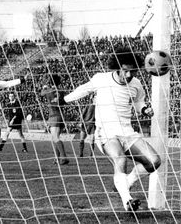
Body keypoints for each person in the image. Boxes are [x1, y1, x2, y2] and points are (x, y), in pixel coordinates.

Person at [64, 47, 161, 212]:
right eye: (125, 71)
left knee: (154, 161)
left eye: (133, 72)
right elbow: (83, 89)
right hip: (106, 132)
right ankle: (127, 201)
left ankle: (125, 183)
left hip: (128, 132)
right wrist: (65, 99)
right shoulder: (101, 79)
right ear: (117, 67)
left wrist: (145, 109)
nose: (129, 75)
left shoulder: (136, 84)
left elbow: (138, 102)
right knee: (120, 159)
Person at [41, 74, 69, 165]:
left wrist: (44, 87)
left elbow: (41, 93)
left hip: (54, 116)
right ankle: (57, 158)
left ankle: (64, 157)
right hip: (60, 115)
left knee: (55, 138)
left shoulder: (48, 90)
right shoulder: (61, 91)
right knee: (55, 138)